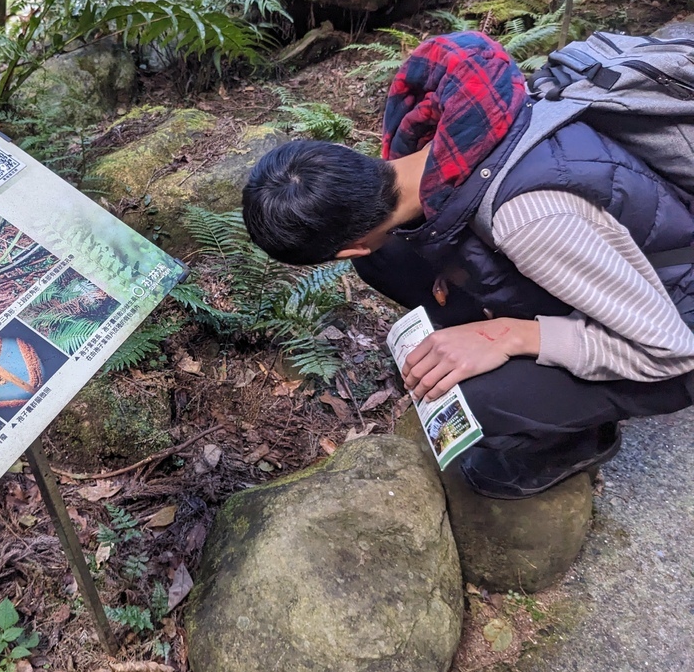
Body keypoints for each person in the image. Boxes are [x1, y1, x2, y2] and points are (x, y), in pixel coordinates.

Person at [242, 31, 694, 499]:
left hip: (675, 321)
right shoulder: (438, 131)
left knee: (473, 404)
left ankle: (579, 438)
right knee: (390, 259)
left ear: (348, 247)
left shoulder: (527, 220)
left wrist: (508, 337)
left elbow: (672, 350)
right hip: (604, 257)